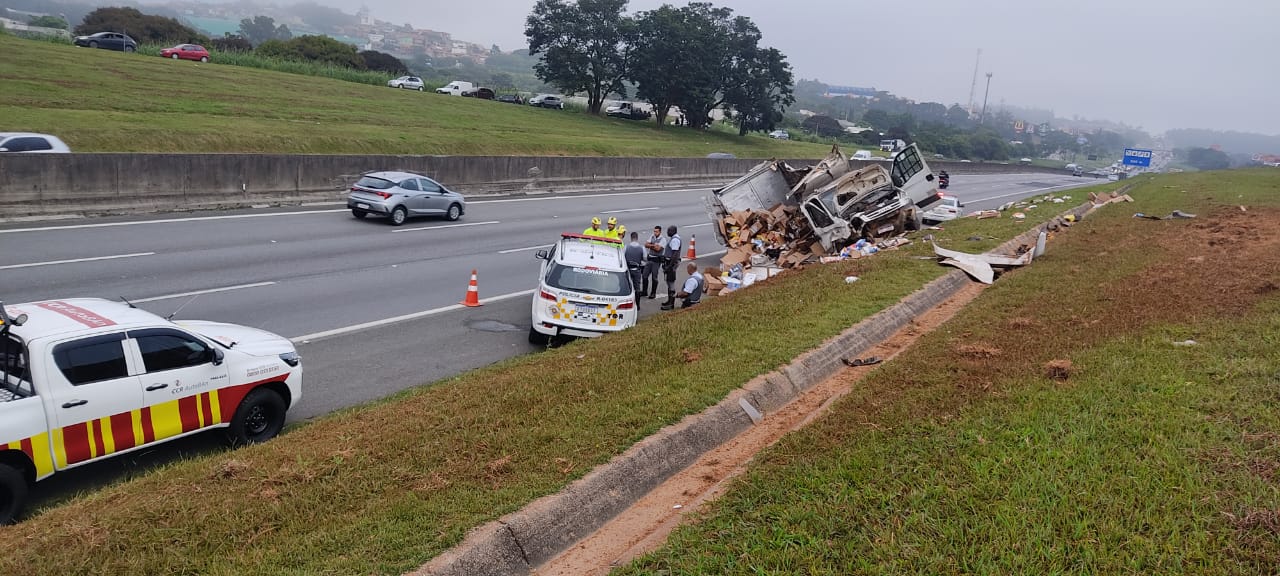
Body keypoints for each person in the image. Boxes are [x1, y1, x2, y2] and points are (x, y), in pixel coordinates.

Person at [659, 225, 682, 310]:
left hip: (671, 264)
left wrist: (670, 266)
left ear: (673, 231)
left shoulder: (675, 240)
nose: (667, 232)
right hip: (670, 263)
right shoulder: (674, 238)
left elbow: (675, 254)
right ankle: (669, 301)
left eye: (669, 231)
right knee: (668, 282)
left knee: (671, 282)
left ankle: (671, 304)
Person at [642, 225, 665, 299]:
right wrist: (653, 245)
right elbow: (646, 244)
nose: (655, 233)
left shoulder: (663, 239)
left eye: (656, 231)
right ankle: (644, 291)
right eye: (654, 231)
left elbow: (658, 249)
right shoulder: (652, 236)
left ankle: (653, 293)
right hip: (650, 259)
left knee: (654, 278)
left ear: (660, 232)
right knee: (644, 276)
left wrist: (651, 245)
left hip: (656, 261)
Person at [624, 231, 645, 304]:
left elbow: (623, 257)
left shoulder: (626, 247)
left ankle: (628, 302)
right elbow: (644, 259)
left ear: (631, 238)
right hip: (637, 270)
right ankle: (638, 304)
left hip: (628, 270)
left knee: (628, 286)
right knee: (637, 287)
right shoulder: (642, 248)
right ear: (637, 238)